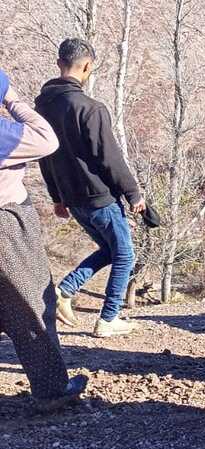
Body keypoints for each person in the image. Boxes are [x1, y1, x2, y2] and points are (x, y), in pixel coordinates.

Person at [35, 38, 145, 338]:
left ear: (59, 64)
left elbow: (44, 156)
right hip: (99, 196)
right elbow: (109, 157)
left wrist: (57, 197)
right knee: (124, 255)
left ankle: (65, 291)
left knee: (110, 250)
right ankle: (108, 319)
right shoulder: (90, 108)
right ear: (87, 67)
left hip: (71, 197)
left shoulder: (41, 107)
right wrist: (133, 192)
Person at [0, 68, 88, 411]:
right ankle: (52, 389)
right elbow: (46, 139)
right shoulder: (3, 134)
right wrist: (11, 98)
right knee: (33, 304)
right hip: (7, 223)